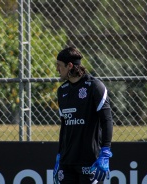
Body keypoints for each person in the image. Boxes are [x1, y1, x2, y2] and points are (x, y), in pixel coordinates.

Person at [53, 46, 113, 184]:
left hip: (90, 161)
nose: (57, 69)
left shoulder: (95, 87)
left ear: (69, 66)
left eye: (59, 65)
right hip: (66, 162)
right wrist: (59, 156)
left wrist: (105, 152)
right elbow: (64, 126)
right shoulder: (62, 91)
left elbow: (107, 120)